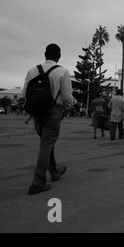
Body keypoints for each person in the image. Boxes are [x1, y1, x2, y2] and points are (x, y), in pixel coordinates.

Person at [22, 43, 75, 195]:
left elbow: (24, 93)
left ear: (45, 54)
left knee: (46, 141)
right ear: (59, 56)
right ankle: (38, 181)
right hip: (53, 111)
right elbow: (66, 97)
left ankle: (55, 171)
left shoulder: (33, 70)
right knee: (47, 143)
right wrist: (71, 105)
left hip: (37, 112)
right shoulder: (62, 71)